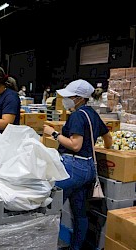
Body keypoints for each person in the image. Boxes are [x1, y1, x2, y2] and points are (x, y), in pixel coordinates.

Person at [43, 79, 112, 250]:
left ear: (79, 98)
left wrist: (53, 134)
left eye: (69, 97)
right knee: (79, 211)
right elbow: (108, 139)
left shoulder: (76, 116)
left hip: (73, 167)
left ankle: (46, 244)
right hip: (88, 168)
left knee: (50, 207)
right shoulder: (92, 114)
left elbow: (75, 145)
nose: (66, 100)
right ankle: (76, 247)